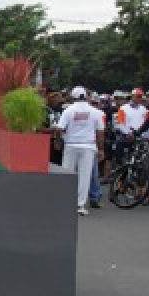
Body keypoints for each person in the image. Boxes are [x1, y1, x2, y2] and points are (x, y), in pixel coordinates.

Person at [54, 86, 106, 217]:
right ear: (85, 96)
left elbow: (59, 128)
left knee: (67, 174)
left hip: (71, 145)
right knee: (85, 176)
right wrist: (101, 149)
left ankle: (64, 203)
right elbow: (100, 132)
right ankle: (80, 205)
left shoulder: (68, 110)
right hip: (88, 146)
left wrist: (58, 141)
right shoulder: (96, 111)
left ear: (73, 97)